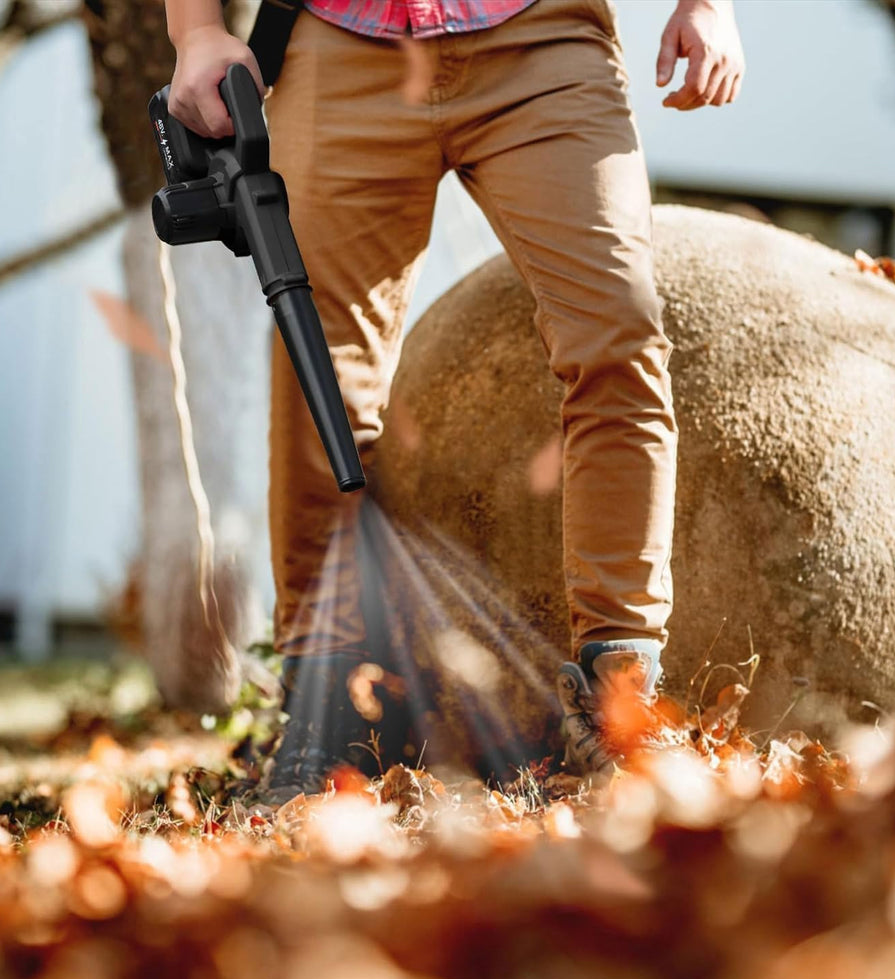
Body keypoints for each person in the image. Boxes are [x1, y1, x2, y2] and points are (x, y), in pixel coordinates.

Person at [163, 0, 746, 796]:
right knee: (318, 381)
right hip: (340, 40)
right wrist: (196, 31)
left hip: (541, 40)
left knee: (617, 339)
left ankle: (621, 700)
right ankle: (327, 714)